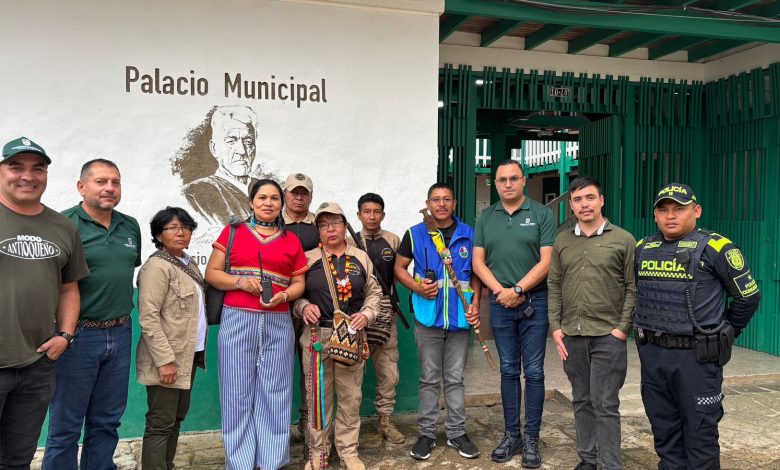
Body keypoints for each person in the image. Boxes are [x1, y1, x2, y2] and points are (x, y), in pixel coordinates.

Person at [634, 183, 761, 469]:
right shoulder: (644, 248)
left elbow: (748, 297)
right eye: (663, 210)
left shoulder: (717, 247)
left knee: (700, 436)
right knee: (664, 433)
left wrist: (725, 333)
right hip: (653, 356)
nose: (670, 216)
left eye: (679, 209)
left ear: (696, 210)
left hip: (697, 359)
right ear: (655, 215)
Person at [44, 159, 142, 470]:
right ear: (81, 187)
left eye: (115, 181)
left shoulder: (130, 226)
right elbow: (52, 282)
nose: (109, 188)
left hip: (121, 331)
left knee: (107, 421)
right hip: (77, 337)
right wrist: (63, 332)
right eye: (101, 181)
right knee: (66, 425)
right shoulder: (63, 225)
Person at [204, 179, 307, 470]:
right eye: (262, 197)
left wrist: (285, 294)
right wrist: (240, 282)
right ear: (251, 201)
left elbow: (299, 281)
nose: (268, 203)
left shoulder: (291, 241)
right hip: (238, 318)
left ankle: (272, 461)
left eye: (275, 198)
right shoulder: (233, 232)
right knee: (237, 392)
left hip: (278, 321)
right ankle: (240, 462)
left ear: (281, 204)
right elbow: (212, 273)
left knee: (276, 390)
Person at [0, 136, 89, 469]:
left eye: (37, 168)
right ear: (1, 172)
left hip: (37, 366)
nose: (27, 176)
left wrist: (65, 336)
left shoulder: (62, 227)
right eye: (16, 166)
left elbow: (68, 287)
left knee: (17, 459)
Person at [547, 177, 636, 470]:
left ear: (601, 200)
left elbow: (632, 288)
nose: (583, 204)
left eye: (589, 198)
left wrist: (622, 329)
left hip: (608, 336)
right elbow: (555, 284)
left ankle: (610, 464)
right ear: (571, 204)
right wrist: (556, 326)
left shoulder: (623, 239)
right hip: (572, 334)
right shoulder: (562, 240)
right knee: (581, 400)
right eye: (577, 200)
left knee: (606, 404)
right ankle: (588, 458)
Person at [471, 159, 554, 467]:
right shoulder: (485, 217)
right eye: (502, 179)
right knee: (508, 370)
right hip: (500, 303)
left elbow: (546, 261)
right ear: (495, 183)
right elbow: (479, 263)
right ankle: (511, 436)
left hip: (535, 301)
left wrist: (517, 290)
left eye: (513, 178)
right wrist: (501, 293)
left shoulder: (541, 213)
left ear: (523, 180)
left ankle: (532, 439)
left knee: (533, 372)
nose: (508, 184)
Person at [394, 182, 482, 462]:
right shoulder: (415, 233)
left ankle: (457, 433)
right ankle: (427, 434)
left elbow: (477, 275)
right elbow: (399, 267)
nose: (441, 204)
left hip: (460, 318)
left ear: (454, 204)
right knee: (429, 378)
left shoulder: (470, 234)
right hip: (427, 316)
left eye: (446, 199)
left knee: (455, 378)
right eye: (436, 199)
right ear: (428, 203)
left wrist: (476, 304)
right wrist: (417, 288)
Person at [294, 202, 382, 470]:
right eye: (323, 224)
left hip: (351, 335)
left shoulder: (360, 257)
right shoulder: (307, 259)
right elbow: (295, 295)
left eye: (335, 223)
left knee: (350, 396)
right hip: (316, 336)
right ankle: (318, 453)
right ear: (317, 230)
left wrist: (367, 314)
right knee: (318, 398)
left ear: (345, 225)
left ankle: (348, 452)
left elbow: (374, 293)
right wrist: (302, 307)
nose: (330, 229)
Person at [135, 207, 207, 470]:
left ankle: (166, 465)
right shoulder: (157, 267)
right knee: (160, 423)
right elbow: (149, 318)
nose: (181, 232)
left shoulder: (189, 264)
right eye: (172, 228)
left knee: (176, 418)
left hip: (187, 357)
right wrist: (164, 360)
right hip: (167, 360)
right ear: (158, 235)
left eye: (185, 227)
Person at [353, 192, 405, 444]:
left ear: (382, 214)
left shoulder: (393, 240)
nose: (372, 216)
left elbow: (399, 275)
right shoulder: (349, 241)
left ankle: (385, 421)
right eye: (367, 211)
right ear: (359, 215)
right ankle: (350, 426)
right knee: (353, 370)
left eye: (376, 212)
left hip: (387, 314)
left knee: (388, 371)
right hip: (358, 315)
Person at [282, 172, 319, 436]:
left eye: (304, 192)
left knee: (310, 368)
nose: (298, 196)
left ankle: (307, 422)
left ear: (310, 196)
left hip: (310, 307)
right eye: (294, 191)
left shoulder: (320, 225)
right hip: (277, 307)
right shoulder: (270, 222)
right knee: (279, 368)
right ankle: (279, 426)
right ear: (285, 194)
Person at [183, 105, 259, 226]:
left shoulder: (266, 189)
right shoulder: (196, 194)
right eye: (231, 141)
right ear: (214, 148)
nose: (242, 151)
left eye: (248, 142)